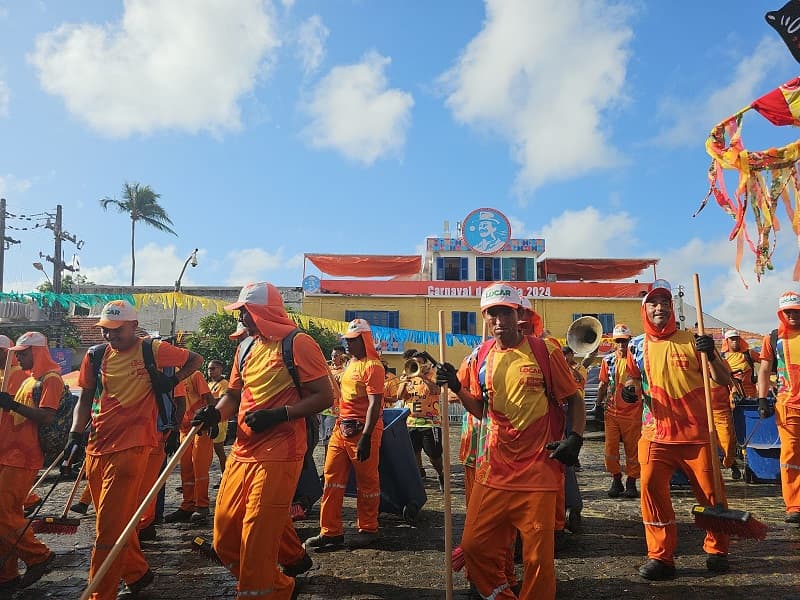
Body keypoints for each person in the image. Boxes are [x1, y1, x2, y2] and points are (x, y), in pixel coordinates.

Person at [437, 283, 584, 599]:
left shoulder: (547, 352)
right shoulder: (483, 356)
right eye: (492, 313)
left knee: (538, 561)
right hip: (494, 468)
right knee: (474, 545)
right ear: (485, 317)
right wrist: (458, 388)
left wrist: (575, 438)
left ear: (518, 313)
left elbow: (573, 398)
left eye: (505, 311)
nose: (499, 319)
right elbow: (481, 409)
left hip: (539, 471)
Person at [191, 282, 333, 599]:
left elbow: (325, 395)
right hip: (243, 450)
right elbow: (233, 394)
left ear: (263, 312)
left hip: (282, 451)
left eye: (245, 312)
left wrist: (280, 414)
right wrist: (215, 413)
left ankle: (265, 591)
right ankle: (283, 584)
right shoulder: (244, 347)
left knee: (255, 536)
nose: (241, 318)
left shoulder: (299, 343)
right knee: (225, 537)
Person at [65, 300, 203, 600]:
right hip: (98, 445)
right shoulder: (95, 355)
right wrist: (75, 433)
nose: (110, 336)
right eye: (105, 330)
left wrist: (173, 380)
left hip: (136, 445)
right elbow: (85, 398)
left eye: (116, 330)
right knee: (113, 520)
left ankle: (99, 593)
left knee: (107, 529)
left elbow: (195, 359)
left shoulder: (151, 350)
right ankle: (138, 573)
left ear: (133, 327)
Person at [624, 282, 733, 580]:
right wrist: (630, 390)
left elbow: (724, 379)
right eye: (653, 303)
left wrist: (711, 355)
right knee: (650, 492)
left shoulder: (694, 340)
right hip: (654, 435)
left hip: (696, 435)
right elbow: (634, 380)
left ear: (673, 308)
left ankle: (717, 549)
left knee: (711, 495)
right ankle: (661, 557)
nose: (659, 308)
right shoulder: (635, 345)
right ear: (645, 309)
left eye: (665, 303)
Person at [306, 318, 385, 550]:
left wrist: (367, 437)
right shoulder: (350, 364)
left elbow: (375, 404)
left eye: (352, 341)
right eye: (346, 341)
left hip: (363, 430)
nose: (348, 345)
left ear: (364, 340)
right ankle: (330, 531)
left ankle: (368, 528)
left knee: (367, 482)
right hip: (342, 427)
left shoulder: (373, 367)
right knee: (331, 479)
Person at [0, 332, 61, 593]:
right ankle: (8, 576)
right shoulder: (29, 379)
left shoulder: (51, 379)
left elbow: (46, 417)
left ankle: (40, 556)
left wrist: (11, 404)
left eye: (23, 353)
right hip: (8, 453)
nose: (19, 356)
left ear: (38, 353)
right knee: (8, 516)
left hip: (23, 456)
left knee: (3, 514)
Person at [757, 291, 800, 523]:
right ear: (781, 313)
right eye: (788, 312)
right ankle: (794, 505)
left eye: (796, 310)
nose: (792, 315)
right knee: (791, 454)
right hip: (788, 406)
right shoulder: (773, 338)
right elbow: (764, 370)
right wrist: (762, 399)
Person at [596, 323, 642, 498]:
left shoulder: (637, 361)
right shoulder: (607, 361)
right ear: (614, 342)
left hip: (633, 413)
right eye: (619, 341)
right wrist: (597, 405)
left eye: (624, 341)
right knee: (610, 450)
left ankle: (631, 481)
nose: (622, 345)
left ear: (630, 341)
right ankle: (616, 479)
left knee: (633, 450)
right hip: (612, 412)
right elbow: (603, 384)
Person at [165, 369, 214, 524]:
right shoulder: (168, 377)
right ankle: (188, 505)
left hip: (200, 428)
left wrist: (213, 419)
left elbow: (209, 398)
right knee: (186, 469)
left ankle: (202, 506)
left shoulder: (194, 374)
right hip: (184, 430)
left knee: (199, 468)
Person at [397, 353, 445, 489]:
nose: (416, 365)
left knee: (433, 454)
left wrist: (423, 377)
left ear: (425, 364)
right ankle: (419, 475)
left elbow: (436, 391)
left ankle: (441, 473)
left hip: (430, 422)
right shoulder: (407, 376)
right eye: (414, 362)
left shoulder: (433, 374)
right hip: (411, 421)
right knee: (414, 452)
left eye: (418, 362)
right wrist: (404, 382)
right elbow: (399, 396)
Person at [320, 345, 347, 455]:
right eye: (332, 356)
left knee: (331, 437)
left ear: (342, 356)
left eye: (336, 356)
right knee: (324, 439)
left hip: (335, 409)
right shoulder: (327, 369)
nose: (333, 358)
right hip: (323, 407)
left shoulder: (345, 371)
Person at [207, 360, 229, 487]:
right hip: (210, 421)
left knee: (219, 450)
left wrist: (207, 401)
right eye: (209, 369)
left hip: (219, 421)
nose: (210, 371)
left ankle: (225, 476)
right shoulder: (209, 384)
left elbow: (222, 400)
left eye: (213, 368)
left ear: (220, 369)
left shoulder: (224, 383)